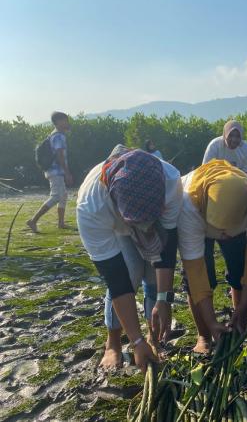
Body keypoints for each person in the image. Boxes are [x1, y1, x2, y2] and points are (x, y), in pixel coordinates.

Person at [77, 147, 183, 371]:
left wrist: (164, 299)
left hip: (154, 221)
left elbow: (167, 247)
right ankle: (113, 343)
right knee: (131, 270)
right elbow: (117, 280)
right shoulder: (92, 206)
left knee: (153, 277)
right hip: (117, 228)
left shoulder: (171, 180)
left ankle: (153, 338)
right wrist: (134, 341)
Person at [177, 160, 247, 353]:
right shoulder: (187, 203)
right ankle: (204, 334)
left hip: (240, 220)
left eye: (229, 230)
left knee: (239, 270)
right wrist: (211, 321)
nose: (225, 235)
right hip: (198, 223)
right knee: (201, 277)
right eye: (220, 229)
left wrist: (242, 309)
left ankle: (239, 322)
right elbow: (195, 271)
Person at [27, 111, 73, 233]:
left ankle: (61, 223)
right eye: (65, 120)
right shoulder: (58, 136)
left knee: (63, 195)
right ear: (57, 122)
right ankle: (33, 221)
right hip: (56, 171)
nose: (67, 122)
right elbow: (60, 155)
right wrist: (67, 172)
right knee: (56, 196)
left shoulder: (55, 134)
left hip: (54, 171)